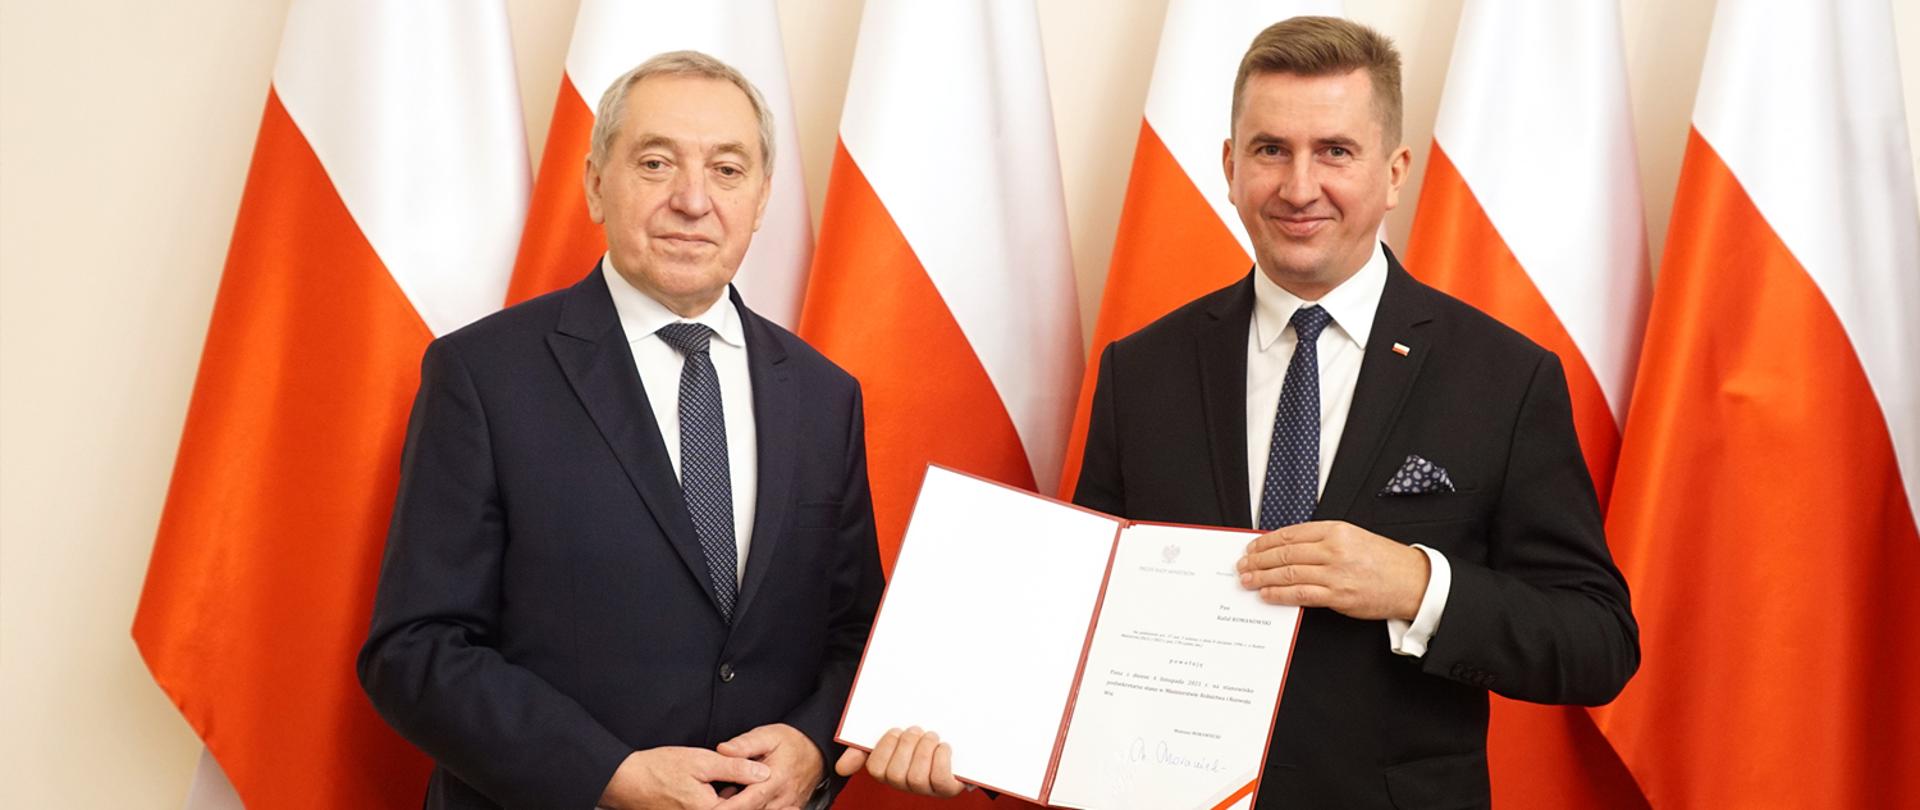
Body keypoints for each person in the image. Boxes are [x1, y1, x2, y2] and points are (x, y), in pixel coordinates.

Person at [840, 17, 1637, 808]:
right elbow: (1085, 620)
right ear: (1230, 166)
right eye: (1270, 150)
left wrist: (1416, 585)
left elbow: (1597, 641)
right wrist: (976, 742)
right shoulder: (1141, 371)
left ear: (1394, 172)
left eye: (1335, 151)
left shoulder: (1503, 376)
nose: (1299, 187)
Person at [359, 51, 884, 810]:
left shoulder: (824, 395)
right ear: (596, 183)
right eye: (656, 163)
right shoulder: (482, 374)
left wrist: (812, 748)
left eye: (727, 170)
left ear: (762, 198)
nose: (693, 201)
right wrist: (608, 775)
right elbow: (414, 650)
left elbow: (856, 633)